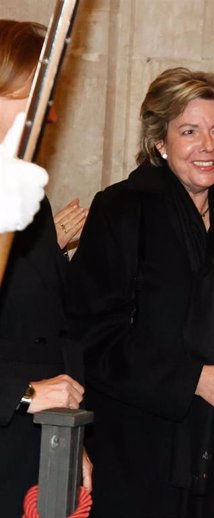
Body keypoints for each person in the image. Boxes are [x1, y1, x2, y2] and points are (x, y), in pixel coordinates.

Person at [66, 67, 214, 518]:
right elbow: (94, 337)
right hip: (139, 450)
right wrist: (196, 381)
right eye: (190, 131)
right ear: (160, 143)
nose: (208, 146)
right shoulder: (122, 209)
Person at [0, 19, 90, 516]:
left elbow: (57, 332)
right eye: (33, 100)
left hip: (34, 448)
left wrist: (72, 443)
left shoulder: (25, 191)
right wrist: (24, 392)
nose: (48, 116)